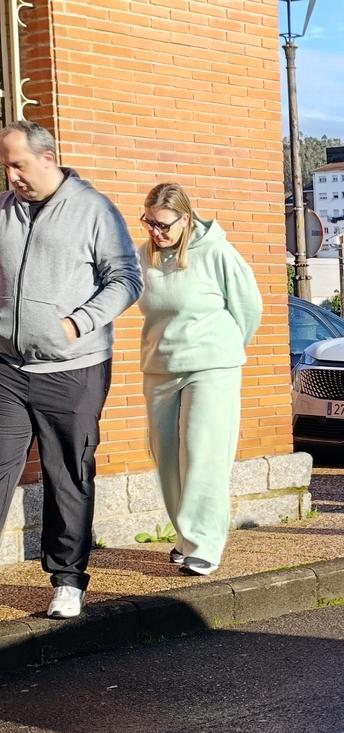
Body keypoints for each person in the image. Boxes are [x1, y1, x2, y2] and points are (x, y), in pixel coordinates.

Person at [0, 121, 142, 619]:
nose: (11, 175)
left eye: (18, 164)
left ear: (47, 157)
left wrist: (78, 322)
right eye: (6, 165)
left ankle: (66, 580)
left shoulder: (93, 209)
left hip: (73, 368)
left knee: (67, 474)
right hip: (9, 367)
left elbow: (126, 278)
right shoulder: (4, 211)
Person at [137, 183, 262, 577]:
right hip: (160, 367)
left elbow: (249, 307)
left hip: (211, 367)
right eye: (148, 223)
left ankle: (204, 544)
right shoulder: (144, 256)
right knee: (167, 457)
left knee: (202, 454)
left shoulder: (216, 252)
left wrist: (222, 352)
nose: (155, 232)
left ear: (185, 219)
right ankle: (185, 536)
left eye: (162, 225)